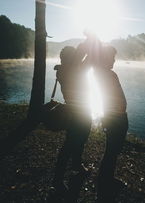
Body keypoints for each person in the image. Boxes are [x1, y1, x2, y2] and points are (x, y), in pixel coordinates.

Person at [52, 44, 92, 196]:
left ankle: (76, 165)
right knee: (70, 144)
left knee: (80, 139)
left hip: (82, 110)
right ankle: (57, 180)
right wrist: (88, 43)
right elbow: (88, 56)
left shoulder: (65, 70)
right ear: (70, 58)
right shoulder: (70, 71)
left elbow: (85, 58)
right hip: (77, 112)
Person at [94, 45, 129, 202]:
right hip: (116, 118)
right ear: (105, 58)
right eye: (112, 57)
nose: (114, 60)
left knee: (112, 150)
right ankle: (105, 181)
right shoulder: (107, 75)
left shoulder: (104, 74)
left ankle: (107, 178)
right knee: (112, 150)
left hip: (114, 116)